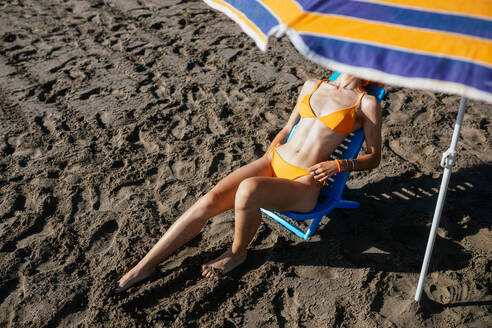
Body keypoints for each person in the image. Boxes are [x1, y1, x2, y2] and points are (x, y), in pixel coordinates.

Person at [116, 73, 382, 292]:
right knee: (209, 201)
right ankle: (145, 265)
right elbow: (288, 129)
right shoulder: (312, 85)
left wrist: (338, 165)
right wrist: (269, 156)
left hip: (305, 182)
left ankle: (237, 252)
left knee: (249, 189)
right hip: (274, 160)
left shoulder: (366, 103)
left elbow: (373, 157)